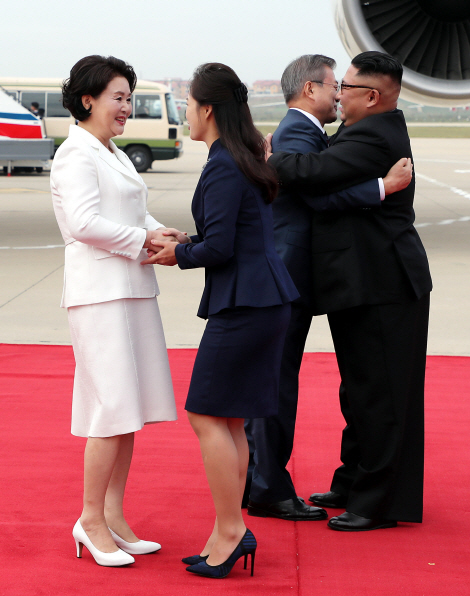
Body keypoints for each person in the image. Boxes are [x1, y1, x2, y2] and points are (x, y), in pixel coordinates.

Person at [145, 62, 299, 578]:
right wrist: (186, 241)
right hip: (261, 300)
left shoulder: (223, 164)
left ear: (207, 109)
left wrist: (177, 254)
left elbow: (222, 246)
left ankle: (231, 530)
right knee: (229, 418)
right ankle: (226, 530)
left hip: (246, 305)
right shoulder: (239, 157)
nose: (186, 112)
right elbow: (228, 234)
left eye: (188, 103)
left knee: (206, 414)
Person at [268, 51, 432, 531]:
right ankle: (354, 479)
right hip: (363, 281)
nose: (339, 95)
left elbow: (311, 177)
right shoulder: (366, 131)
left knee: (381, 395)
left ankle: (377, 502)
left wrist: (268, 158)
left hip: (383, 283)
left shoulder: (373, 136)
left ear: (373, 96)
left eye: (348, 88)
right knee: (360, 391)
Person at [50, 55, 178, 566]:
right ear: (88, 99)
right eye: (118, 97)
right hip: (99, 293)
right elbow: (83, 223)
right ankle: (90, 519)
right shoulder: (76, 153)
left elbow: (133, 211)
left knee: (128, 410)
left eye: (130, 98)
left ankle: (114, 515)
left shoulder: (113, 152)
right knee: (109, 410)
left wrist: (165, 234)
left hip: (131, 288)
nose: (127, 107)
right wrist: (142, 238)